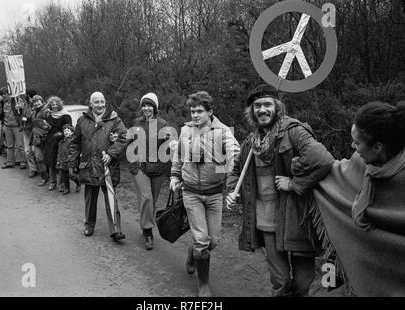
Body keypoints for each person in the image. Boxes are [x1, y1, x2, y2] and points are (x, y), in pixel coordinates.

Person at [226, 84, 334, 297]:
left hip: (296, 220)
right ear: (251, 111)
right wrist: (233, 193)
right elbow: (235, 173)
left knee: (303, 285)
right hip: (266, 222)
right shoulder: (250, 142)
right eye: (257, 106)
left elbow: (322, 159)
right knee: (281, 282)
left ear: (277, 107)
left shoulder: (293, 131)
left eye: (267, 104)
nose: (262, 110)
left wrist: (294, 183)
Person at [310, 101, 405, 297]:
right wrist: (297, 181)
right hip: (362, 259)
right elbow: (335, 177)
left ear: (377, 147)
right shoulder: (360, 162)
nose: (353, 146)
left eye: (357, 142)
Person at [170, 91, 240, 297]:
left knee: (214, 241)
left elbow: (234, 149)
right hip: (190, 192)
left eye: (199, 111)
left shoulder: (222, 131)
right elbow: (178, 156)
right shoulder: (185, 131)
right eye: (192, 111)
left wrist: (235, 156)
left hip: (214, 194)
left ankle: (194, 254)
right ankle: (203, 285)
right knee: (202, 239)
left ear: (210, 112)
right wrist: (175, 176)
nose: (195, 115)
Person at [69, 92, 128, 242]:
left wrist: (112, 153)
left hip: (107, 166)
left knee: (110, 198)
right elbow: (75, 143)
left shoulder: (114, 119)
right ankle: (89, 225)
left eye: (102, 101)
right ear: (90, 104)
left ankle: (116, 229)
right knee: (90, 199)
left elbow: (124, 137)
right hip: (88, 166)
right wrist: (73, 163)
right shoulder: (82, 120)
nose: (100, 105)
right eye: (96, 102)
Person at [130, 93, 172, 250]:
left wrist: (165, 164)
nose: (146, 108)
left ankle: (145, 223)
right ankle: (148, 231)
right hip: (140, 168)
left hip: (158, 169)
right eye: (144, 105)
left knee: (151, 200)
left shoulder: (163, 124)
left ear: (155, 107)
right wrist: (134, 165)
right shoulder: (136, 123)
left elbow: (170, 145)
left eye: (149, 105)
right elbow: (130, 143)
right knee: (146, 197)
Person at [42, 96, 72, 191]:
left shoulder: (65, 115)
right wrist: (46, 127)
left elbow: (69, 128)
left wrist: (61, 134)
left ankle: (61, 183)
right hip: (50, 141)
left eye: (56, 104)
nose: (54, 106)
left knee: (60, 163)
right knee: (51, 162)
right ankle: (52, 182)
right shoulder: (49, 114)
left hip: (61, 141)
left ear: (60, 105)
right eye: (52, 104)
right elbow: (47, 128)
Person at [0, 88, 26, 169]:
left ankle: (22, 162)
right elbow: (1, 113)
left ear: (9, 94)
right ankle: (9, 162)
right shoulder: (2, 103)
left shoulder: (16, 100)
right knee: (9, 146)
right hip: (7, 126)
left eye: (5, 93)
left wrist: (20, 108)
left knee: (20, 145)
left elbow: (24, 109)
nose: (4, 95)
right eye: (2, 94)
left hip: (17, 126)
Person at [29, 95, 51, 185]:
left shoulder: (47, 111)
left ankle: (52, 178)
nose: (36, 103)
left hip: (45, 138)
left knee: (47, 158)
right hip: (36, 138)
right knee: (38, 158)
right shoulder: (33, 112)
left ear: (42, 101)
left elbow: (50, 125)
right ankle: (44, 177)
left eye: (38, 101)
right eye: (34, 102)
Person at [56, 124, 81, 195]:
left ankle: (78, 182)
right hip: (63, 161)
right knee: (64, 176)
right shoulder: (61, 142)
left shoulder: (74, 141)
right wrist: (58, 160)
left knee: (71, 174)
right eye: (65, 131)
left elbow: (76, 152)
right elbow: (59, 152)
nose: (66, 132)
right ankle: (67, 188)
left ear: (72, 132)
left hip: (71, 162)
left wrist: (70, 159)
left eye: (68, 131)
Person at [20, 89, 39, 178]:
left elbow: (36, 117)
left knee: (35, 150)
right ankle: (33, 169)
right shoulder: (25, 104)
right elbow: (21, 115)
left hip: (34, 130)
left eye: (27, 95)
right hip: (25, 129)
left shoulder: (37, 104)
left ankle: (40, 168)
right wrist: (19, 109)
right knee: (27, 151)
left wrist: (28, 119)